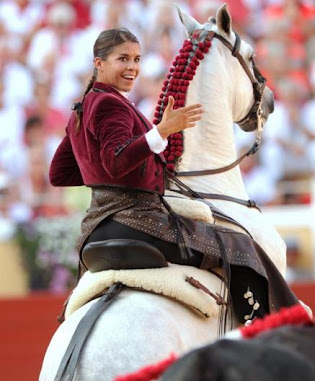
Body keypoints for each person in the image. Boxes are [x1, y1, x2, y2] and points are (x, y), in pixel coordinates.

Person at [49, 27, 299, 326]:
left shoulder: (83, 106)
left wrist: (105, 173)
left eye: (137, 59)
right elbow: (115, 161)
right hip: (136, 221)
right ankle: (268, 331)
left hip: (95, 228)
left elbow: (60, 173)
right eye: (122, 59)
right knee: (242, 248)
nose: (132, 67)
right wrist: (161, 131)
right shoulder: (109, 104)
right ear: (98, 63)